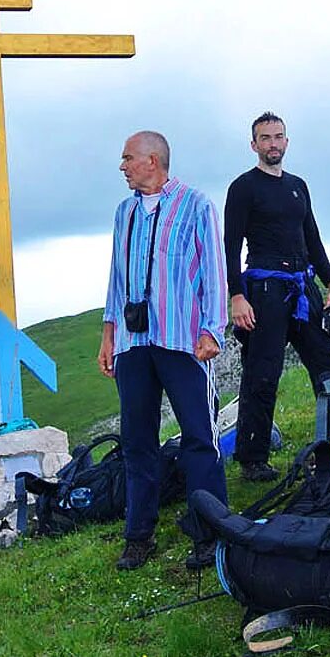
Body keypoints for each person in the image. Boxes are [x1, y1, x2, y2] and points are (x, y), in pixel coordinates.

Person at [98, 130, 228, 571]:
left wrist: (213, 329)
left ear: (152, 160)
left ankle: (210, 533)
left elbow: (214, 268)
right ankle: (139, 535)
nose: (123, 166)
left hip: (183, 340)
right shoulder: (123, 213)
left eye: (128, 158)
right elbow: (116, 277)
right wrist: (109, 333)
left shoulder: (196, 205)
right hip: (135, 344)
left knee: (198, 436)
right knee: (137, 440)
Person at [224, 111, 330, 481]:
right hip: (264, 289)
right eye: (265, 138)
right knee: (262, 374)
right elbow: (230, 246)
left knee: (328, 362)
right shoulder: (243, 187)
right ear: (254, 145)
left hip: (302, 286)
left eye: (278, 137)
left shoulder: (298, 185)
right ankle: (252, 458)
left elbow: (311, 237)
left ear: (287, 141)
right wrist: (236, 296)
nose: (273, 144)